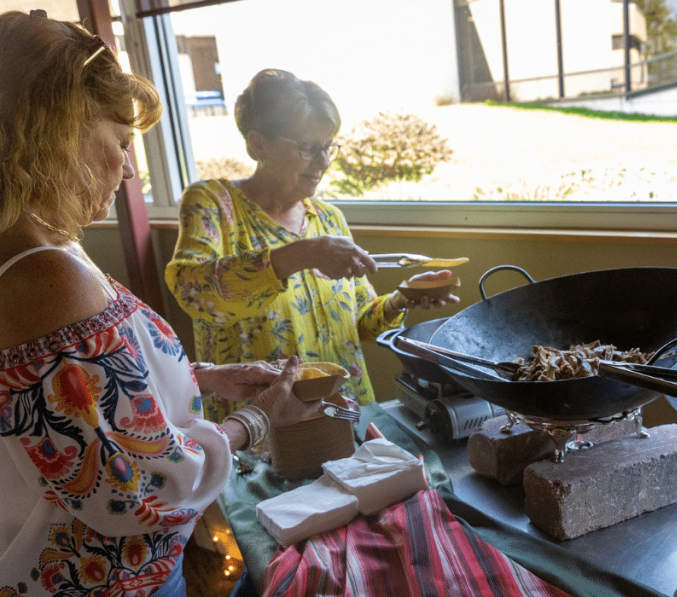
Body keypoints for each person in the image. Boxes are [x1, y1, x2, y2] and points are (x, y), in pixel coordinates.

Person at [0, 11, 321, 596]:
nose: (128, 169)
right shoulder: (42, 277)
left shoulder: (42, 252)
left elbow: (83, 405)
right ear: (51, 134)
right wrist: (257, 421)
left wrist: (209, 377)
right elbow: (132, 489)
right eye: (120, 142)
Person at [165, 68, 457, 422]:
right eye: (308, 148)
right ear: (258, 144)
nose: (324, 162)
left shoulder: (328, 218)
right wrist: (303, 254)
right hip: (258, 422)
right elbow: (194, 291)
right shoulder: (213, 202)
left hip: (343, 412)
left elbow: (361, 323)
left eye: (328, 147)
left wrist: (401, 299)